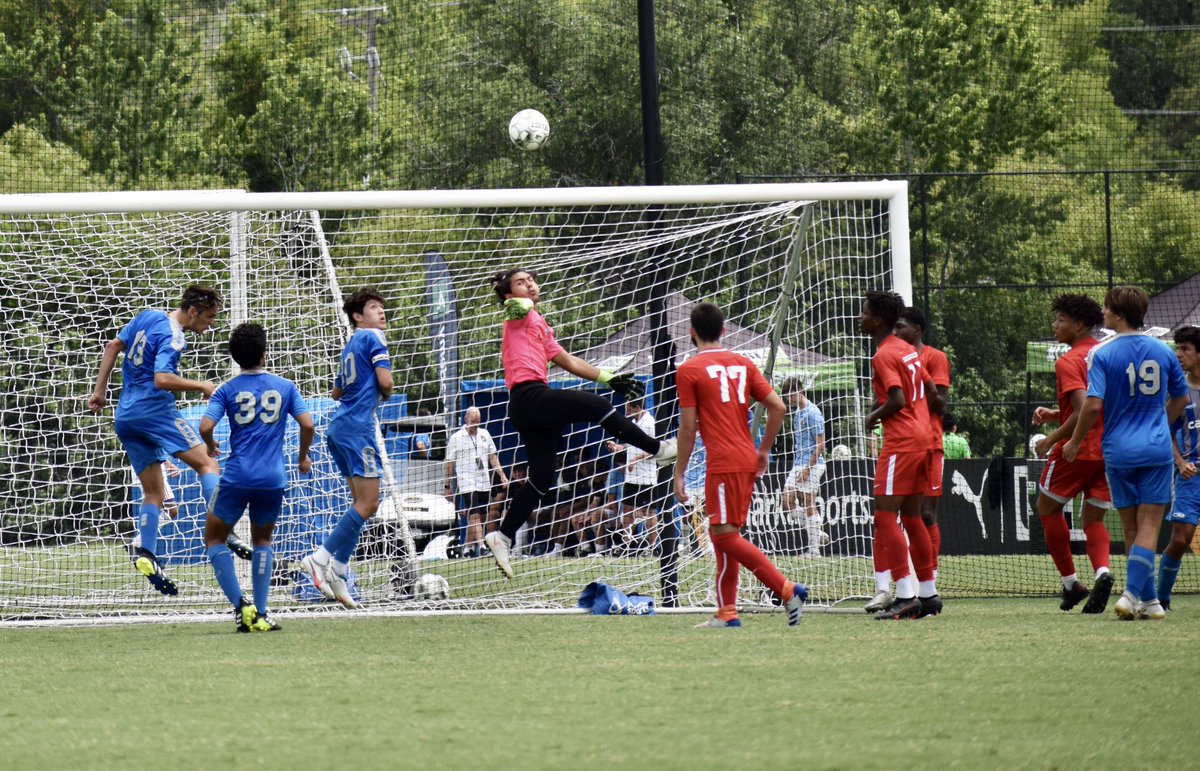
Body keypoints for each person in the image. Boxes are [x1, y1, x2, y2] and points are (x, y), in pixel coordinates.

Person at [481, 268, 675, 579]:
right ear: (508, 294)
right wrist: (519, 300)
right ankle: (658, 449)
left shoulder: (537, 323)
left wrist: (608, 377)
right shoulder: (517, 313)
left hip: (526, 407)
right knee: (596, 406)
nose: (530, 283)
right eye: (521, 282)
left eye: (532, 278)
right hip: (529, 396)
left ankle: (501, 536)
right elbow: (515, 307)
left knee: (542, 479)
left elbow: (569, 362)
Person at [673, 302, 806, 628]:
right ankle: (727, 611)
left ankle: (787, 590)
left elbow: (688, 429)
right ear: (724, 331)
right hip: (745, 457)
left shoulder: (689, 370)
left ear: (692, 333)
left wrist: (678, 473)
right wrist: (762, 450)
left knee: (724, 535)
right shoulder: (743, 363)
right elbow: (777, 407)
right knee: (726, 533)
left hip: (722, 461)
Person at [88, 284, 223, 596]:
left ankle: (146, 552)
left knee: (153, 493)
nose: (211, 323)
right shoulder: (175, 336)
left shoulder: (148, 315)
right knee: (208, 464)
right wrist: (202, 386)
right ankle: (221, 524)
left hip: (125, 416)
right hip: (154, 412)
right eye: (209, 317)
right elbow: (162, 380)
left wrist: (100, 391)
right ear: (192, 311)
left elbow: (112, 346)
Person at [1063, 285, 1188, 621]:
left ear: (1117, 314)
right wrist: (1161, 421)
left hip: (1118, 450)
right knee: (1150, 525)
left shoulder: (1102, 354)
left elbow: (1091, 406)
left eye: (1106, 309)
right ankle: (1145, 598)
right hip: (1156, 449)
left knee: (1131, 527)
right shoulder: (1163, 350)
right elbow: (1182, 398)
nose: (1103, 314)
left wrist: (1074, 442)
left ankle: (1137, 597)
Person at [199, 323, 314, 632]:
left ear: (235, 358)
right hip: (272, 479)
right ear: (265, 354)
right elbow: (308, 424)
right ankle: (262, 613)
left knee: (213, 539)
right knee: (263, 540)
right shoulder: (286, 387)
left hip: (237, 477)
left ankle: (241, 607)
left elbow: (205, 427)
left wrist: (211, 447)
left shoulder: (227, 390)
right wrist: (302, 457)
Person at [301, 287, 394, 608]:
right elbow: (385, 382)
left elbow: (337, 391)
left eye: (382, 306)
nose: (381, 312)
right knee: (369, 504)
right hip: (357, 429)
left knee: (360, 503)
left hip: (338, 427)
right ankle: (320, 559)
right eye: (373, 307)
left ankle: (339, 570)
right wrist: (386, 391)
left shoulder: (351, 344)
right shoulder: (374, 339)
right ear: (358, 316)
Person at [1029, 294, 1115, 613]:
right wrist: (1055, 413)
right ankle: (1103, 571)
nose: (1055, 325)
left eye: (1061, 320)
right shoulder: (1107, 353)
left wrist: (1050, 439)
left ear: (1078, 325)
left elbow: (1082, 410)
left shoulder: (1068, 361)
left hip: (1076, 450)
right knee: (1093, 517)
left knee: (1047, 508)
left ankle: (1071, 584)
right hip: (1110, 451)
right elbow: (1097, 403)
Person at [859, 290, 941, 620]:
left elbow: (896, 399)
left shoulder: (883, 355)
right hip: (924, 438)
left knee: (883, 516)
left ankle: (905, 596)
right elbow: (932, 392)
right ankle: (928, 593)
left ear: (878, 320)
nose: (860, 318)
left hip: (902, 441)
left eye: (864, 313)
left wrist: (871, 416)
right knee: (911, 516)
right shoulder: (908, 350)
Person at [894, 306, 950, 575]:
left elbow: (941, 405)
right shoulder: (893, 358)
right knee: (901, 515)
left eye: (900, 326)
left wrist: (919, 378)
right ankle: (905, 579)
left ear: (916, 330)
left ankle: (931, 578)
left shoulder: (935, 358)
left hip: (930, 444)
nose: (895, 332)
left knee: (927, 513)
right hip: (902, 445)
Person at [1159, 326, 1200, 610]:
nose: (1178, 354)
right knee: (1181, 538)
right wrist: (1179, 461)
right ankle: (1161, 598)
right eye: (1178, 348)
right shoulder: (1179, 393)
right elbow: (1166, 430)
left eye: (1185, 349)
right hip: (1190, 475)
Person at [444, 406, 507, 558]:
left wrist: (502, 475)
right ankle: (482, 546)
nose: (475, 424)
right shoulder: (456, 438)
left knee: (482, 516)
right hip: (466, 482)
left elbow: (493, 456)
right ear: (466, 420)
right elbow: (449, 464)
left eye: (478, 421)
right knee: (474, 513)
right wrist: (447, 486)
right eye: (472, 421)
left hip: (483, 481)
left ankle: (467, 548)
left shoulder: (485, 434)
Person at [779, 379, 828, 556]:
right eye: (786, 397)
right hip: (799, 463)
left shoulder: (813, 413)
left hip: (812, 465)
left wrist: (808, 468)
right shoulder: (797, 413)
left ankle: (814, 550)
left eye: (791, 395)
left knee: (809, 503)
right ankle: (817, 531)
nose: (789, 399)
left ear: (800, 391)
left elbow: (820, 444)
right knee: (786, 501)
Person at [617, 398, 659, 554]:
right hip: (631, 477)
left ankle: (653, 546)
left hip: (646, 477)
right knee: (627, 509)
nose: (626, 411)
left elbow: (655, 448)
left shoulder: (650, 423)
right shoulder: (634, 424)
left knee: (649, 512)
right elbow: (631, 444)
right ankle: (626, 545)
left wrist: (635, 459)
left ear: (636, 407)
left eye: (628, 407)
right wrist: (619, 447)